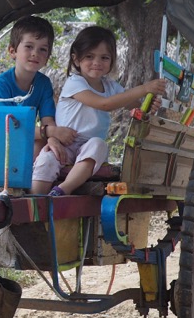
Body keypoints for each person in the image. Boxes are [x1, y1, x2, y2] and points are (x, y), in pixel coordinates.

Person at [31, 25, 167, 196]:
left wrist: (148, 103)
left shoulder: (111, 86)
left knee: (99, 145)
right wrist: (144, 88)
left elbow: (134, 103)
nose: (97, 62)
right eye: (89, 56)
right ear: (76, 59)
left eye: (104, 57)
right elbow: (105, 104)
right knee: (47, 159)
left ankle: (62, 190)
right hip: (64, 143)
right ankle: (34, 200)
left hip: (87, 147)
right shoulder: (75, 82)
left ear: (112, 61)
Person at [0, 16, 76, 195]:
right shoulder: (0, 85)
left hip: (19, 147)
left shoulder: (43, 84)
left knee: (43, 144)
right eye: (29, 47)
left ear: (47, 57)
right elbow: (4, 127)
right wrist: (49, 132)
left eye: (42, 49)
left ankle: (19, 188)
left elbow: (48, 119)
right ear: (12, 51)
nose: (35, 53)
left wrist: (52, 138)